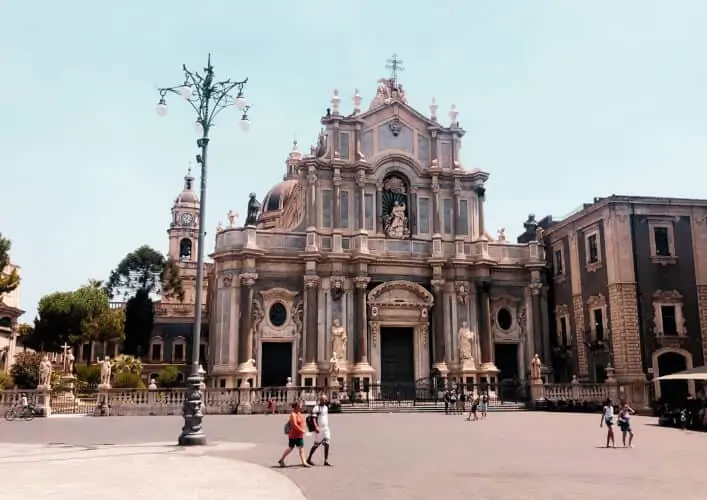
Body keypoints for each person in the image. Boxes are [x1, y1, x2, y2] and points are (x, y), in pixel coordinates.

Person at [278, 401, 309, 468]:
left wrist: (303, 428)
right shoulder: (293, 414)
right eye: (300, 406)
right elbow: (294, 425)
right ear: (296, 407)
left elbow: (301, 422)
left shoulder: (299, 413)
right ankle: (282, 459)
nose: (301, 407)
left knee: (300, 448)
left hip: (299, 434)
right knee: (292, 448)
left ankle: (304, 462)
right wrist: (302, 430)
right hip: (294, 434)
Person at [307, 394, 332, 466]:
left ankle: (326, 460)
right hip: (319, 429)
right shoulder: (316, 408)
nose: (324, 401)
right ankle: (309, 458)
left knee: (327, 444)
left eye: (325, 400)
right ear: (320, 400)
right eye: (323, 400)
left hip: (326, 428)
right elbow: (314, 418)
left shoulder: (326, 408)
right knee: (316, 445)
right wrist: (316, 427)